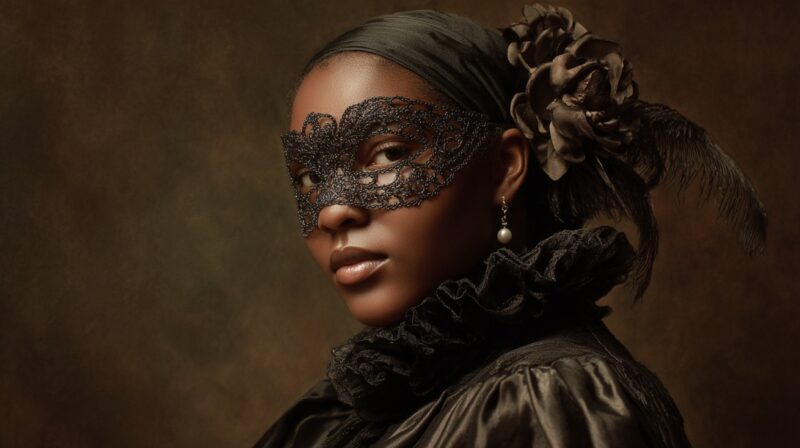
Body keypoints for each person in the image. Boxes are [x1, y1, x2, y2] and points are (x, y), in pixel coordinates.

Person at [256, 4, 766, 447]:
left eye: (388, 153)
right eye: (311, 176)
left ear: (505, 168)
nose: (331, 211)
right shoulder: (334, 415)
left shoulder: (550, 404)